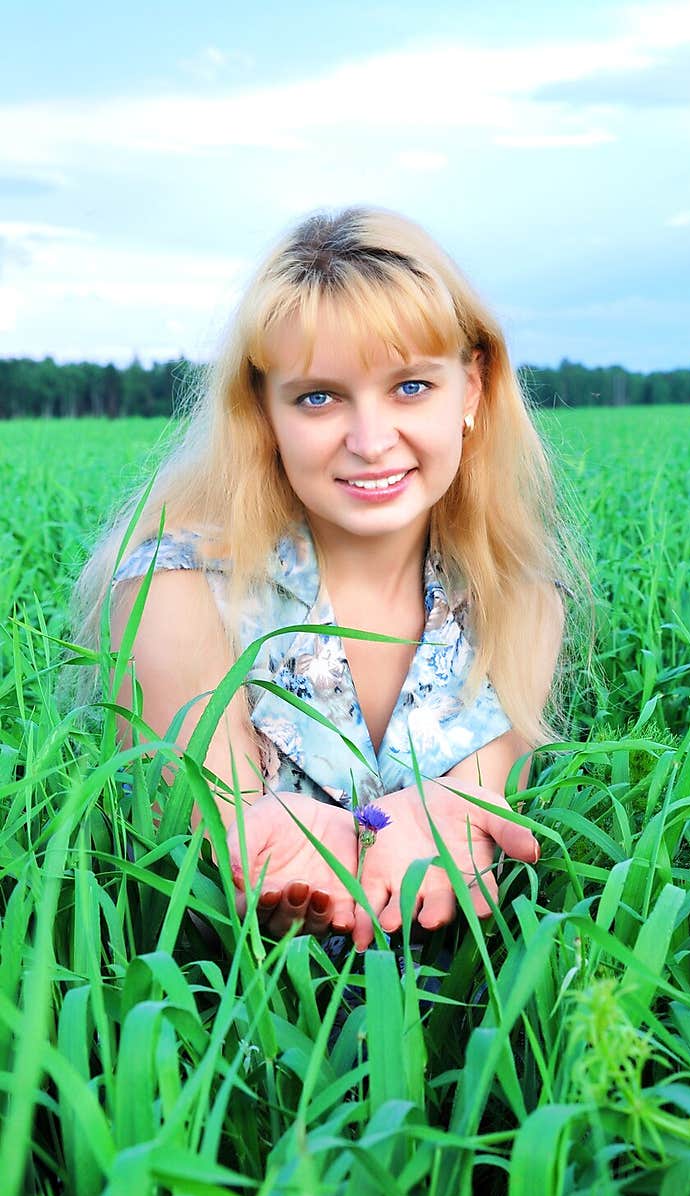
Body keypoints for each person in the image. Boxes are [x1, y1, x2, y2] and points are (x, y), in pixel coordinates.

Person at [71, 206, 591, 955]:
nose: (372, 441)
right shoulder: (172, 593)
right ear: (263, 412)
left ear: (471, 390)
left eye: (411, 387)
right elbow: (205, 858)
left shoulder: (525, 602)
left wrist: (444, 811)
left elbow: (476, 806)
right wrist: (261, 839)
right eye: (319, 397)